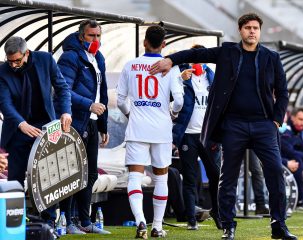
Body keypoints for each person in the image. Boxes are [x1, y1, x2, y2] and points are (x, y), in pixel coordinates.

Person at [150, 13, 296, 240]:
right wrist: (171, 60)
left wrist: (276, 120)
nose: (252, 31)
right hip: (233, 125)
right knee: (227, 176)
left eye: (255, 28)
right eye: (247, 27)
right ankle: (228, 225)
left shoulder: (271, 57)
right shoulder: (228, 52)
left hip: (263, 124)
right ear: (240, 30)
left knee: (275, 171)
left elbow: (283, 92)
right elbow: (197, 53)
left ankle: (279, 224)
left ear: (260, 31)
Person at [117, 25, 184, 239]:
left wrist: (131, 114)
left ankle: (140, 222)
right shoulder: (171, 68)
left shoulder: (130, 65)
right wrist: (171, 113)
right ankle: (157, 226)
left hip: (138, 128)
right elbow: (180, 101)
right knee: (161, 179)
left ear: (145, 42)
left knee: (134, 177)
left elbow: (120, 101)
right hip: (162, 129)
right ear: (164, 44)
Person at [57, 19, 110, 234]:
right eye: (91, 36)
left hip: (92, 121)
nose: (95, 40)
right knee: (72, 174)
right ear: (81, 36)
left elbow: (103, 92)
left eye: (98, 36)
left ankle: (85, 222)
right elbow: (63, 91)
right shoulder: (69, 57)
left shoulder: (99, 57)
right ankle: (67, 222)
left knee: (90, 174)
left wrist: (104, 125)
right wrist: (89, 105)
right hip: (74, 122)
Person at [0, 36, 72, 187]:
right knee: (15, 182)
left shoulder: (46, 60)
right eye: (10, 61)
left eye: (17, 61)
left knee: (49, 179)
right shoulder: (2, 71)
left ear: (26, 53)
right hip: (17, 130)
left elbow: (62, 88)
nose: (13, 65)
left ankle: (50, 212)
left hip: (45, 129)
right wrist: (21, 123)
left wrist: (66, 112)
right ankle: (18, 211)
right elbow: (5, 103)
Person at [173, 45, 222, 230]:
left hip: (209, 135)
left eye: (201, 59)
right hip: (188, 135)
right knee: (190, 177)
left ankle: (218, 212)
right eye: (195, 59)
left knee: (216, 176)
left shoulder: (213, 75)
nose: (197, 63)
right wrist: (179, 80)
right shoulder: (181, 75)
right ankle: (191, 219)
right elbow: (172, 99)